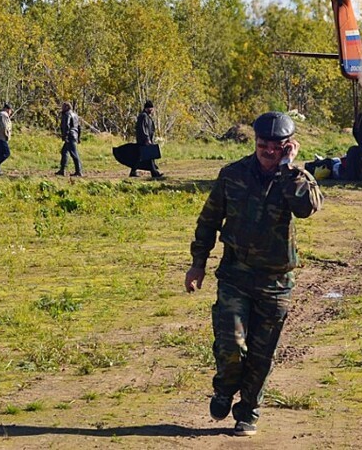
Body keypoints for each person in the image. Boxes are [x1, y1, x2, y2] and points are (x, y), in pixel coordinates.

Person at [185, 111, 323, 436]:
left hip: (276, 282)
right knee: (230, 344)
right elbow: (208, 221)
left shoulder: (296, 178)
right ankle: (223, 389)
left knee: (262, 355)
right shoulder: (233, 174)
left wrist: (288, 169)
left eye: (276, 147)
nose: (267, 151)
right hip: (235, 274)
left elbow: (306, 208)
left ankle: (247, 412)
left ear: (288, 147)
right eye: (262, 144)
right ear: (255, 142)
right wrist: (197, 264)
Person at [131, 100, 163, 178]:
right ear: (146, 108)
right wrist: (147, 139)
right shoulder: (143, 116)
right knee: (149, 156)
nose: (152, 110)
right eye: (151, 108)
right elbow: (143, 128)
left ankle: (133, 171)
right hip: (144, 140)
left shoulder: (147, 116)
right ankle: (154, 173)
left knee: (141, 156)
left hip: (146, 139)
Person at [56, 102, 83, 177]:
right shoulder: (75, 115)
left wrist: (65, 136)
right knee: (64, 152)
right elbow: (79, 127)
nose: (62, 108)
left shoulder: (67, 114)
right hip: (74, 135)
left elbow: (66, 126)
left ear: (67, 107)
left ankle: (79, 171)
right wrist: (78, 137)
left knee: (74, 154)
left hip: (70, 136)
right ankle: (62, 170)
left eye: (63, 106)